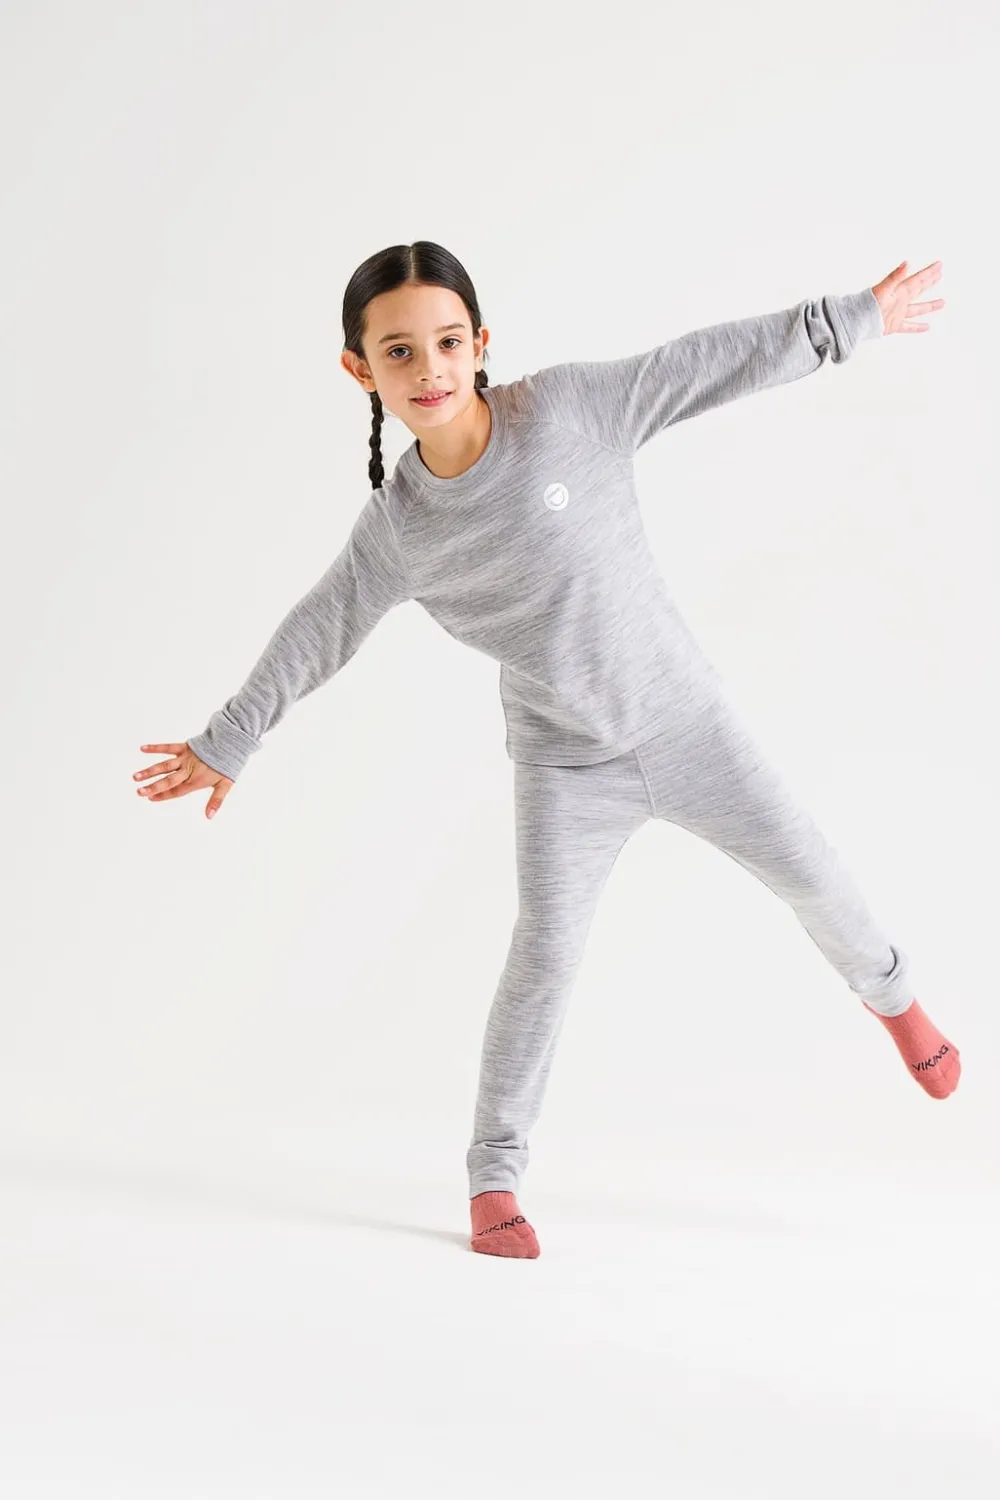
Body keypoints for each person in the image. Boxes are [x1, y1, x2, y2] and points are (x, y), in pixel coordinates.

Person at [132, 240, 959, 1260]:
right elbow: (319, 628)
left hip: (688, 725)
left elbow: (700, 365)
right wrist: (230, 739)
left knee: (815, 875)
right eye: (399, 352)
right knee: (545, 958)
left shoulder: (569, 412)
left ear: (480, 344)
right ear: (360, 369)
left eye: (447, 343)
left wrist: (844, 322)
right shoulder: (398, 531)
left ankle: (896, 1003)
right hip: (566, 768)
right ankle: (494, 1179)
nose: (428, 370)